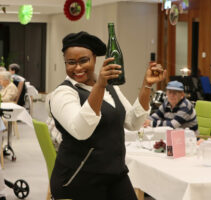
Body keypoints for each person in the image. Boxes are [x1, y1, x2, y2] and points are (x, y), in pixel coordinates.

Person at [48, 31, 166, 200]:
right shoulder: (63, 93)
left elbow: (133, 122)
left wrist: (146, 84)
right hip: (79, 179)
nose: (78, 68)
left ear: (95, 59)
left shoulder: (111, 87)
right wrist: (100, 86)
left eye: (83, 60)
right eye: (71, 63)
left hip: (115, 174)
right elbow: (81, 131)